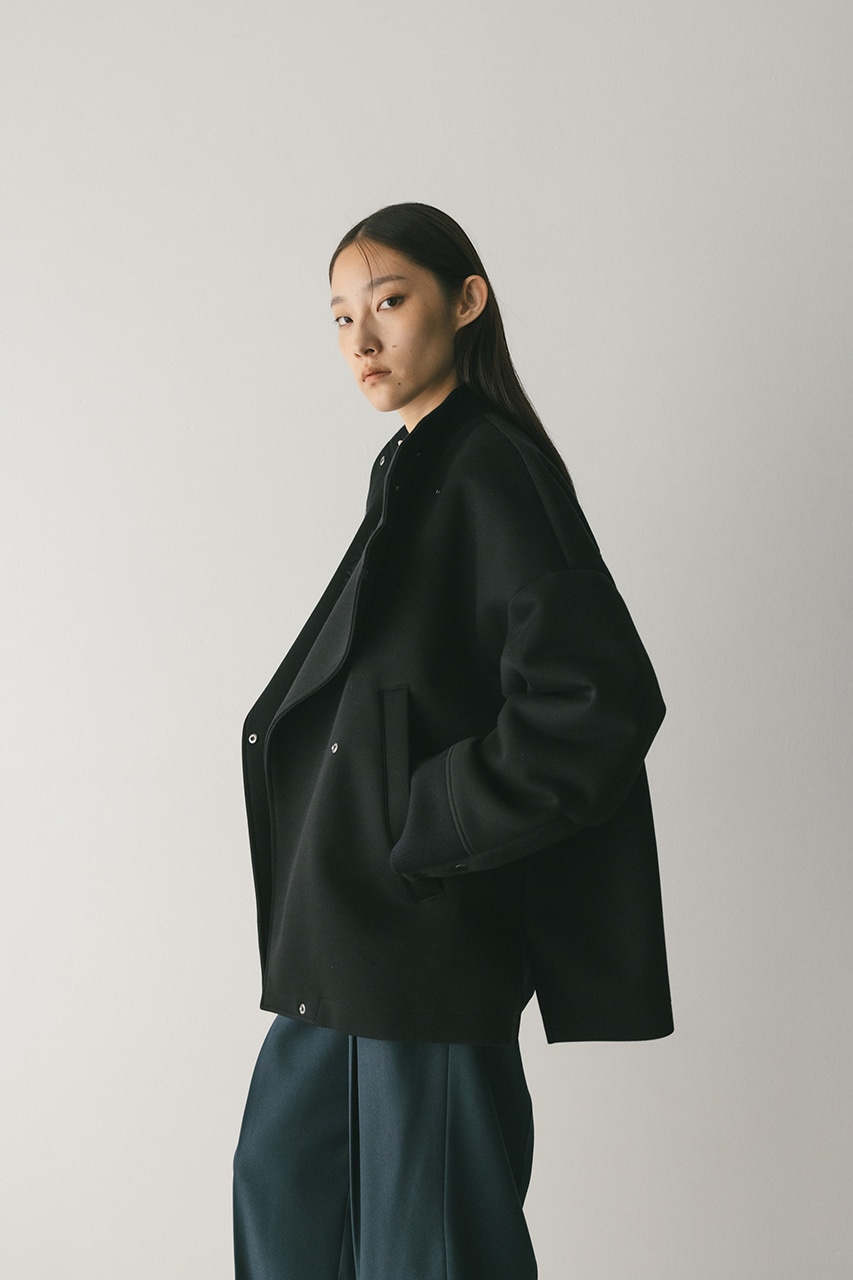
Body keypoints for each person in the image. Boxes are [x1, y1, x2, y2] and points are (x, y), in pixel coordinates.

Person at [232, 201, 673, 1280]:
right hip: (339, 941)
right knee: (284, 1203)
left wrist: (421, 824)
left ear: (466, 301)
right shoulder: (415, 467)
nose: (362, 340)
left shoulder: (491, 466)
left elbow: (596, 701)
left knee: (425, 1248)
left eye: (389, 302)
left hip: (420, 946)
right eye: (341, 317)